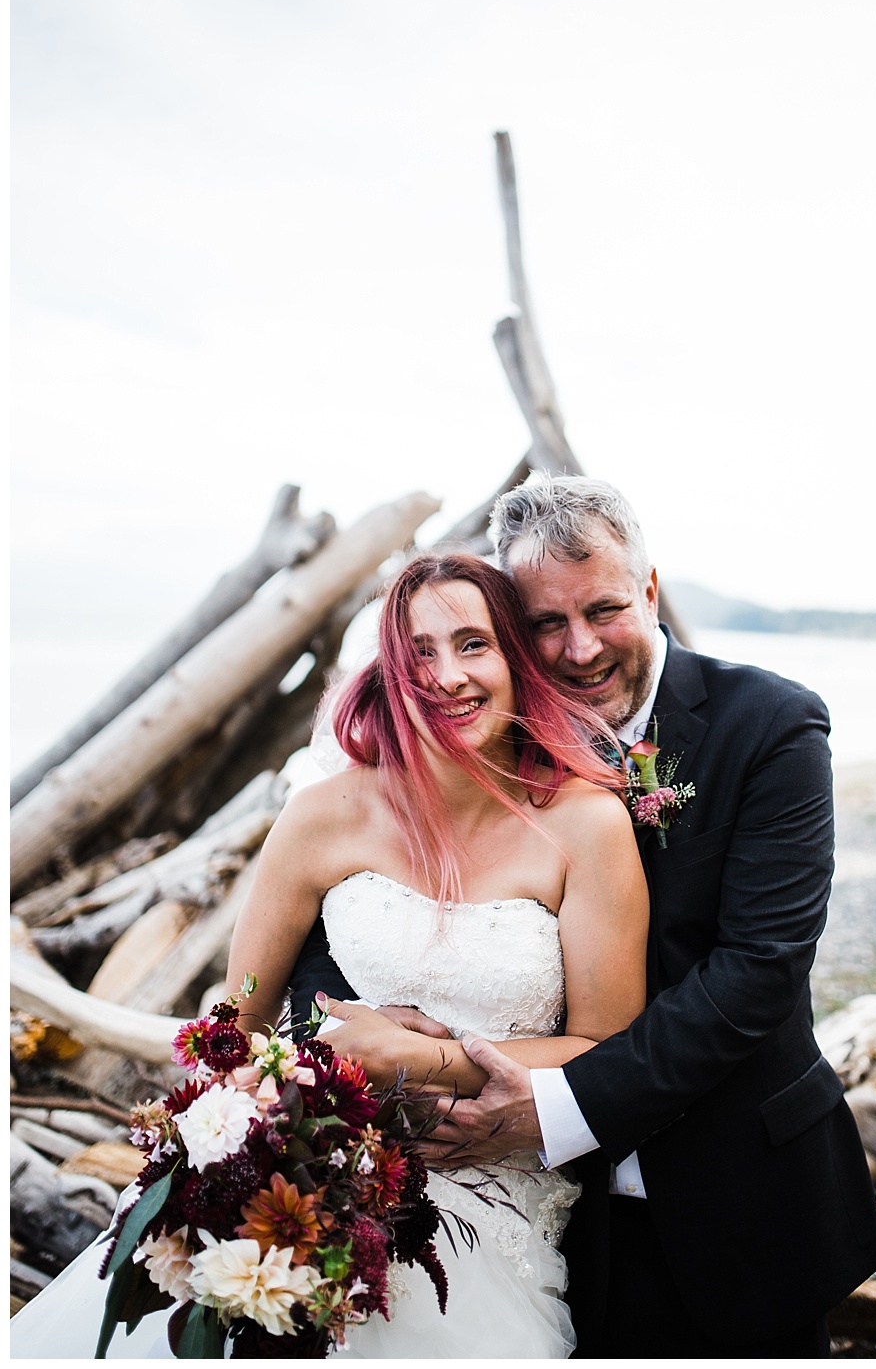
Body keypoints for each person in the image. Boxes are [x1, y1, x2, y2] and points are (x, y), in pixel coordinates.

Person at [295, 474, 876, 1359]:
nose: (578, 650)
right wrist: (360, 1026)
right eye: (543, 623)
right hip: (537, 1218)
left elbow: (757, 972)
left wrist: (553, 1106)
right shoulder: (485, 732)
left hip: (735, 1194)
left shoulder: (769, 725)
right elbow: (344, 911)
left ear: (649, 591)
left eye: (605, 610)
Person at [8, 550, 648, 1361]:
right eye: (418, 653)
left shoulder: (584, 825)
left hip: (492, 1186)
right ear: (389, 675)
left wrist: (419, 1057)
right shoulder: (323, 817)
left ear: (517, 660)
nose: (447, 676)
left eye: (472, 644)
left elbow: (607, 1051)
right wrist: (264, 1112)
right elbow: (232, 1022)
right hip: (317, 1172)